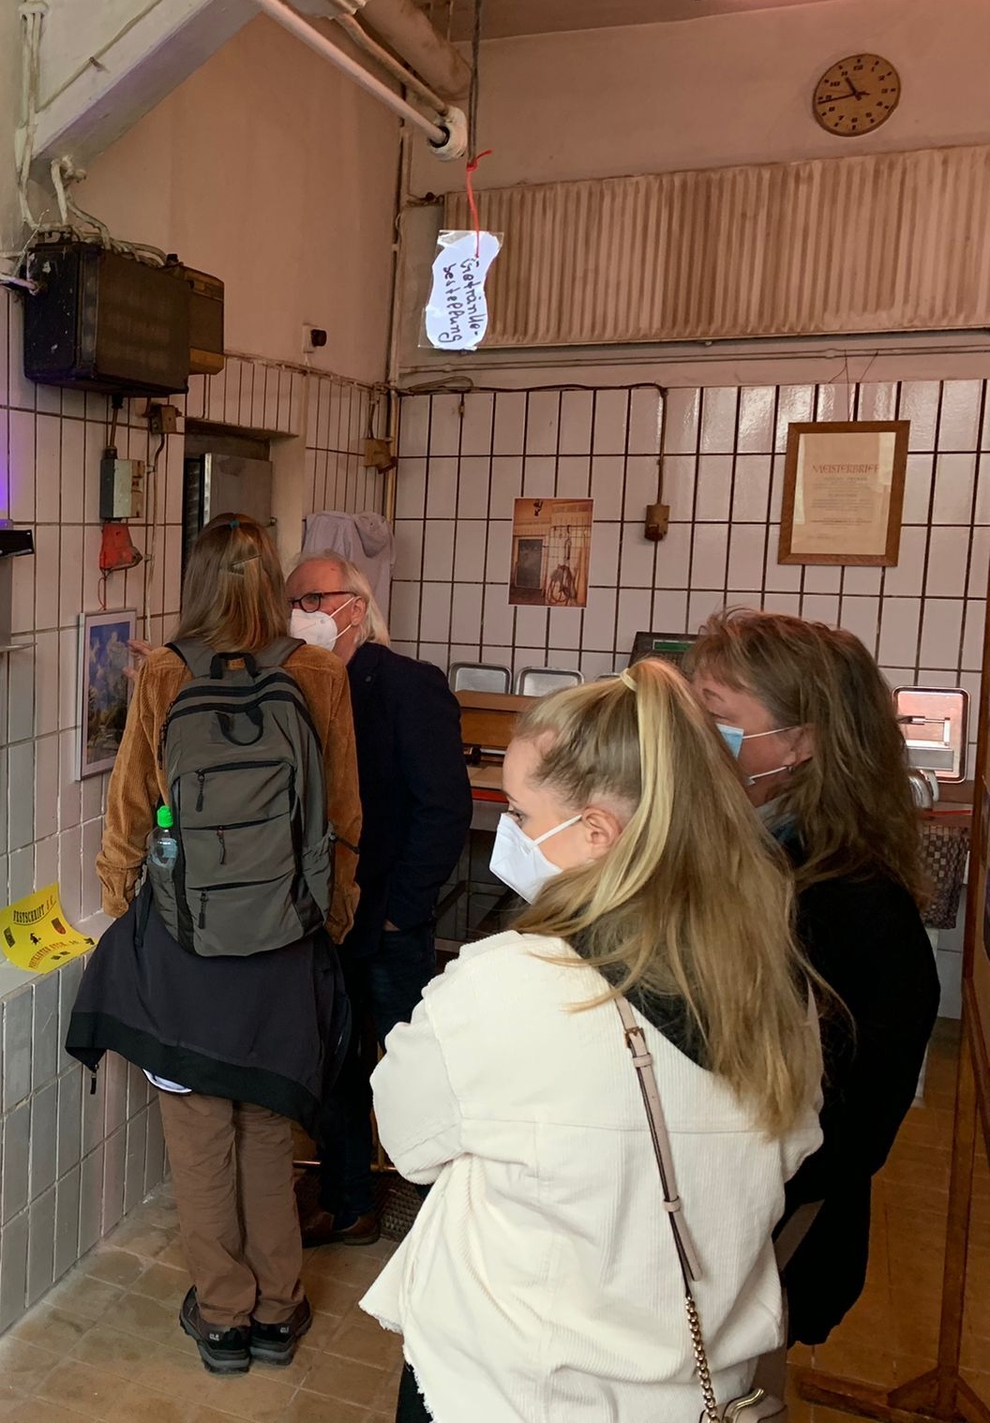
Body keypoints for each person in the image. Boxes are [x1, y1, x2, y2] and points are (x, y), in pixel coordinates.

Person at [364, 661, 823, 1422]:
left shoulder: (506, 984)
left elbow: (408, 1140)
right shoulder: (774, 982)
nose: (510, 835)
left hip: (513, 1386)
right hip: (696, 1386)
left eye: (521, 814)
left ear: (598, 833)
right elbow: (794, 1148)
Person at [66, 515, 362, 1377]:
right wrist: (333, 919)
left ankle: (224, 1318)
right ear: (274, 582)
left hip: (189, 940)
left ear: (195, 583)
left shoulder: (165, 672)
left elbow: (129, 807)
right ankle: (278, 1309)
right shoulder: (318, 673)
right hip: (284, 942)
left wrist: (127, 902)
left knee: (197, 1136)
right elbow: (344, 814)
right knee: (267, 1126)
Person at [690, 608, 939, 1346]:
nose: (694, 737)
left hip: (762, 1236)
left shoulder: (852, 904)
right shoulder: (738, 846)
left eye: (717, 718)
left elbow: (851, 1130)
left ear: (800, 743)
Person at [284, 549, 471, 1245]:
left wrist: (403, 908)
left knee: (409, 1068)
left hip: (388, 915)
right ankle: (349, 1199)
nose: (300, 614)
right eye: (292, 603)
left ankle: (441, 1214)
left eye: (313, 600)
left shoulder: (405, 685)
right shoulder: (296, 682)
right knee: (333, 1065)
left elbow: (444, 808)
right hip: (323, 914)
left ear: (355, 607)